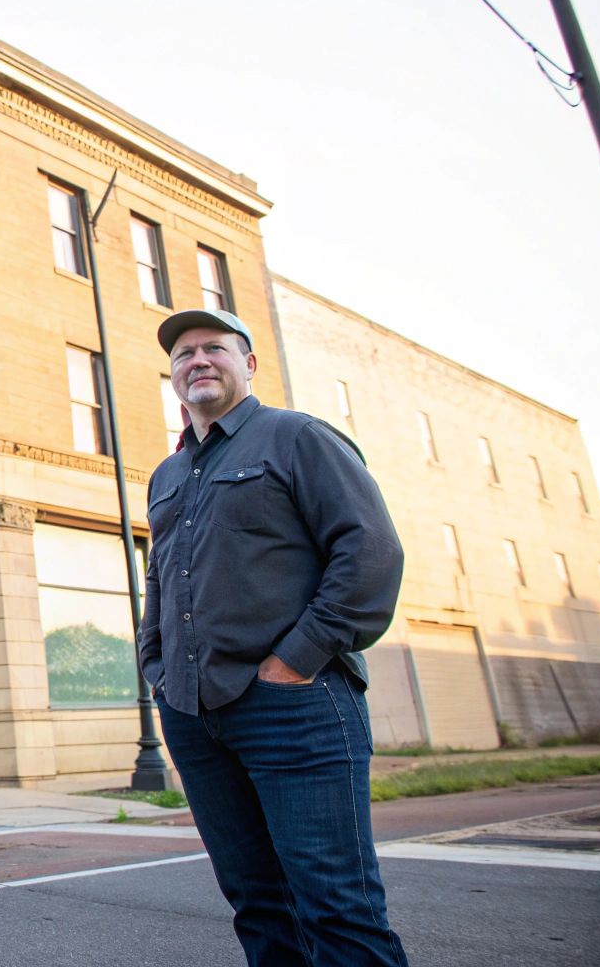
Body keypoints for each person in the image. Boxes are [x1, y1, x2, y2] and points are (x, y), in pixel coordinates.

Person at [140, 308, 408, 967]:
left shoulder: (297, 437)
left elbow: (370, 553)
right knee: (257, 905)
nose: (197, 361)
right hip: (194, 715)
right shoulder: (167, 475)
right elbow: (161, 582)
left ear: (249, 364)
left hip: (296, 707)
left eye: (214, 348)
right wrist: (156, 666)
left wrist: (296, 659)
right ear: (172, 376)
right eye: (183, 355)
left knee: (337, 909)